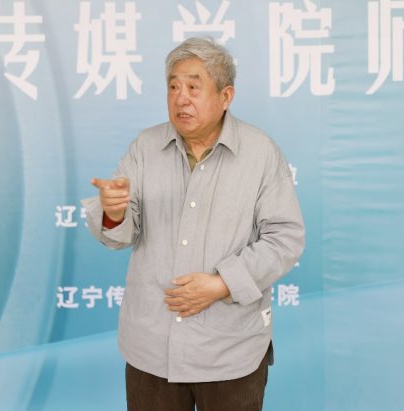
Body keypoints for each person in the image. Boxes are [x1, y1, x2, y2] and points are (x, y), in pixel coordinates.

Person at [82, 37, 305, 411]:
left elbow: (284, 238)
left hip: (230, 349)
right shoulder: (145, 147)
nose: (180, 98)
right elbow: (120, 234)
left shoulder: (261, 153)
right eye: (173, 87)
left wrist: (222, 284)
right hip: (152, 346)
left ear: (225, 96)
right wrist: (114, 212)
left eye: (193, 87)